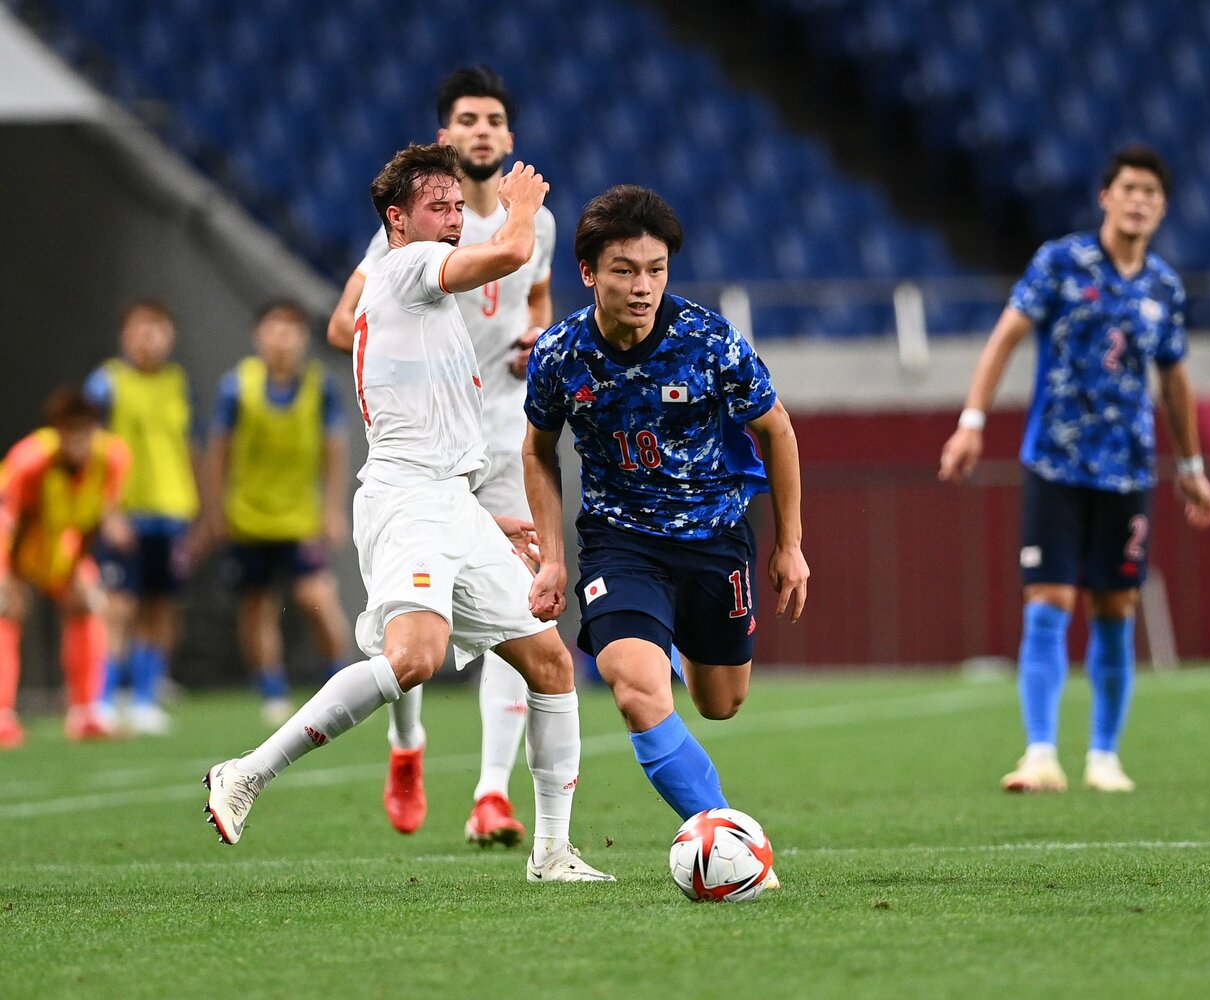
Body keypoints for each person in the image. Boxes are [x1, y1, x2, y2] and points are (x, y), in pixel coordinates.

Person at [204, 143, 611, 883]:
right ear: (397, 220)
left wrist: (483, 520)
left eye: (460, 206)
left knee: (552, 663)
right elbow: (512, 253)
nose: (455, 220)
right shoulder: (405, 268)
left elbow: (430, 421)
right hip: (407, 497)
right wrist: (520, 210)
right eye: (439, 207)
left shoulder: (427, 306)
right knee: (415, 658)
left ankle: (552, 854)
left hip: (449, 501)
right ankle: (246, 773)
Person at [524, 185, 808, 885]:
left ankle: (675, 641)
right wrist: (554, 559)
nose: (643, 285)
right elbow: (535, 449)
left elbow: (777, 430)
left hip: (715, 539)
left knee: (721, 704)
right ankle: (733, 846)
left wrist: (789, 545)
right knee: (634, 690)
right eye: (624, 270)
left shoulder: (709, 341)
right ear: (589, 273)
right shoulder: (561, 354)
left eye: (655, 269)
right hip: (621, 546)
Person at [938, 145, 1210, 793]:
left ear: (1162, 207)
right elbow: (1006, 335)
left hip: (1127, 470)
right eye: (1129, 188)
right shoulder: (1061, 263)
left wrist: (1192, 464)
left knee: (1115, 604)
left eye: (1152, 191)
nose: (1140, 200)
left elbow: (1174, 379)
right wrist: (973, 422)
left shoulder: (1164, 288)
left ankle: (1104, 756)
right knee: (1049, 599)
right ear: (1106, 196)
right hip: (1056, 463)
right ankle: (1040, 754)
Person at [328, 66, 551, 847]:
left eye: (494, 118)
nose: (481, 129)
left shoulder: (538, 231)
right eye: (466, 119)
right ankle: (406, 744)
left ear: (509, 138)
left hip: (505, 435)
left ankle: (492, 791)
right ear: (446, 137)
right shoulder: (412, 235)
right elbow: (344, 322)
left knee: (518, 611)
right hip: (424, 447)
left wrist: (536, 348)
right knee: (413, 630)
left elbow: (537, 300)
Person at [202, 302, 352, 726]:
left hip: (301, 518)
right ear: (258, 336)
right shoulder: (238, 387)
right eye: (274, 329)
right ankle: (271, 688)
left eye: (291, 330)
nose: (282, 339)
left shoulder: (320, 387)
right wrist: (214, 511)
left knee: (315, 597)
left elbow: (335, 451)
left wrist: (332, 510)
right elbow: (218, 453)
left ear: (304, 338)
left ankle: (339, 680)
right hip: (248, 516)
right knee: (257, 604)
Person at [84, 299, 201, 735]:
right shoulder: (105, 383)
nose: (149, 337)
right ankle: (104, 697)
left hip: (172, 512)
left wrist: (199, 511)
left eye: (158, 328)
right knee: (118, 607)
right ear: (124, 335)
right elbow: (91, 453)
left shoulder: (177, 382)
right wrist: (107, 512)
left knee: (159, 607)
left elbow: (190, 445)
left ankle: (146, 698)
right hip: (125, 513)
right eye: (141, 328)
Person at [0, 387, 131, 746]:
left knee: (86, 605)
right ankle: (1, 716)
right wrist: (11, 580)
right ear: (56, 432)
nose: (78, 441)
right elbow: (17, 521)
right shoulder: (30, 461)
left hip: (61, 543)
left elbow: (91, 520)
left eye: (85, 431)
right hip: (11, 541)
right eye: (69, 432)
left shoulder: (113, 457)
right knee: (5, 614)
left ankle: (86, 713)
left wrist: (76, 571)